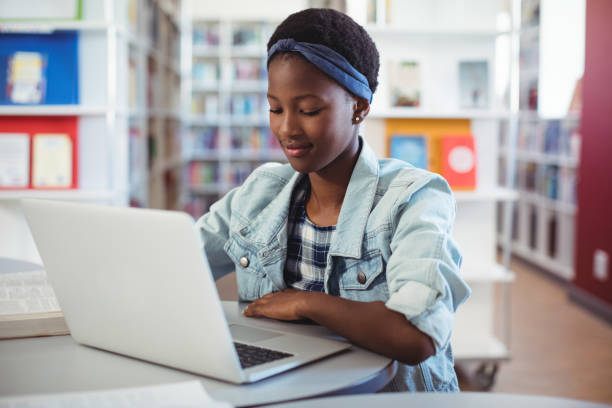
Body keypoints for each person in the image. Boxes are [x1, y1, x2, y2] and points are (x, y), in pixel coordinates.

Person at [196, 8, 471, 392]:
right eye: (275, 108)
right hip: (284, 391)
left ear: (359, 107)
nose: (287, 128)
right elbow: (180, 263)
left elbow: (417, 335)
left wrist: (307, 303)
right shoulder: (262, 191)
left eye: (308, 110)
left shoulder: (414, 198)